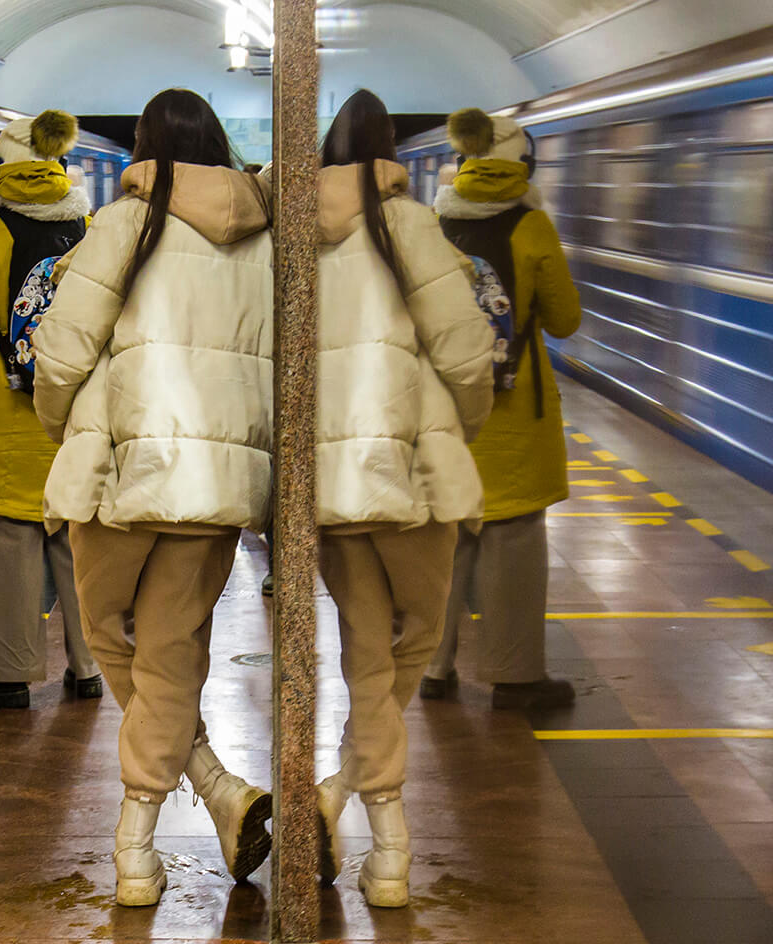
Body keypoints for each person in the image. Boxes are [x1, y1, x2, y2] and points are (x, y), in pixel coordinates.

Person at [32, 89, 274, 905]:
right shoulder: (265, 242)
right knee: (172, 654)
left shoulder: (123, 225)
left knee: (106, 631)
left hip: (121, 471)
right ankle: (152, 836)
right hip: (213, 487)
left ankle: (197, 794)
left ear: (143, 148)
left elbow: (63, 350)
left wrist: (62, 422)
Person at [285, 88, 495, 908]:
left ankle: (375, 832)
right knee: (405, 654)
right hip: (413, 478)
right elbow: (469, 355)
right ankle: (374, 835)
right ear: (392, 156)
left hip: (330, 487)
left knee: (366, 660)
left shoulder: (292, 239)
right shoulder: (414, 227)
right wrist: (455, 428)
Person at [421, 107, 584, 710]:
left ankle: (435, 668)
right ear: (520, 163)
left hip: (451, 406)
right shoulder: (531, 225)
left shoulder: (435, 221)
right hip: (514, 413)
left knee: (450, 535)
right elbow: (565, 319)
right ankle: (514, 677)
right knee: (512, 539)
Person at [0, 109, 103, 709]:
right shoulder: (86, 223)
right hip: (68, 408)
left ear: (1, 166)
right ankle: (86, 666)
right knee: (70, 531)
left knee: (9, 534)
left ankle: (7, 676)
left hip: (7, 412)